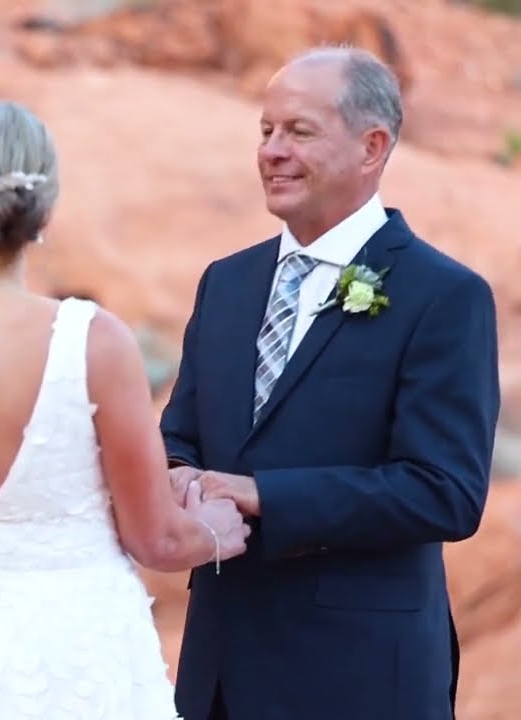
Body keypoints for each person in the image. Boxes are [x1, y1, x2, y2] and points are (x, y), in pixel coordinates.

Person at [0, 98, 250, 719]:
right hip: (68, 661)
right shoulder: (88, 341)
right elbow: (157, 538)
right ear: (45, 213)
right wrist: (214, 532)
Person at [161, 46, 500, 720]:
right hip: (220, 673)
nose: (272, 151)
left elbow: (445, 493)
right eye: (265, 131)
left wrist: (264, 496)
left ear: (372, 147)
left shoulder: (444, 295)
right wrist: (176, 474)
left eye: (299, 131)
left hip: (360, 676)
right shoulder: (225, 282)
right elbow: (183, 436)